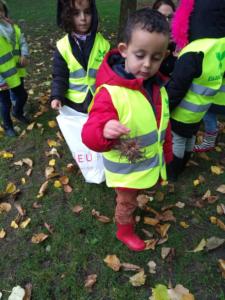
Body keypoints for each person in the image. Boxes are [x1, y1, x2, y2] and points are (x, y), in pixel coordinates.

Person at [82, 8, 172, 251]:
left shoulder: (158, 88)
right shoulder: (110, 93)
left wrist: (167, 152)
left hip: (145, 164)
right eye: (140, 55)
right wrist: (103, 130)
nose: (147, 64)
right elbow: (89, 134)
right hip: (125, 173)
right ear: (123, 51)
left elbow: (163, 124)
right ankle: (124, 230)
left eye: (156, 58)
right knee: (127, 202)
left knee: (137, 194)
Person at [166, 0, 225, 180]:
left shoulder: (194, 51)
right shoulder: (220, 46)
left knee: (178, 140)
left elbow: (177, 86)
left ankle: (173, 171)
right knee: (190, 137)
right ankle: (184, 163)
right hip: (200, 111)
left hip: (181, 113)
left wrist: (165, 106)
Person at [50, 0, 110, 113]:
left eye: (87, 12)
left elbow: (109, 74)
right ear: (67, 16)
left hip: (98, 101)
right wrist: (57, 96)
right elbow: (59, 76)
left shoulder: (104, 45)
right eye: (76, 13)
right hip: (73, 103)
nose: (83, 18)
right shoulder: (62, 46)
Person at [0, 0, 29, 136]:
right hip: (2, 78)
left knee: (22, 95)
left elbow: (22, 41)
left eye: (1, 10)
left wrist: (24, 54)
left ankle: (17, 112)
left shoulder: (12, 27)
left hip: (16, 71)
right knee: (5, 104)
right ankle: (8, 126)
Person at [152, 0, 177, 77]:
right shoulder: (147, 43)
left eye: (170, 17)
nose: (166, 21)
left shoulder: (182, 43)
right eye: (161, 17)